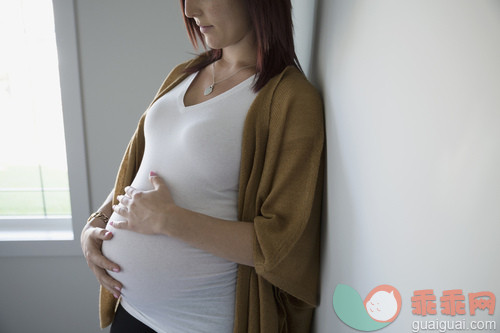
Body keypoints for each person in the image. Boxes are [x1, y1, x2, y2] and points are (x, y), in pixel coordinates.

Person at [80, 0, 324, 332]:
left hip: (199, 323)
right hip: (131, 311)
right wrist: (95, 224)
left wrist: (171, 221)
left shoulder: (289, 100)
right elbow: (142, 168)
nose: (190, 10)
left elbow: (284, 245)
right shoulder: (184, 74)